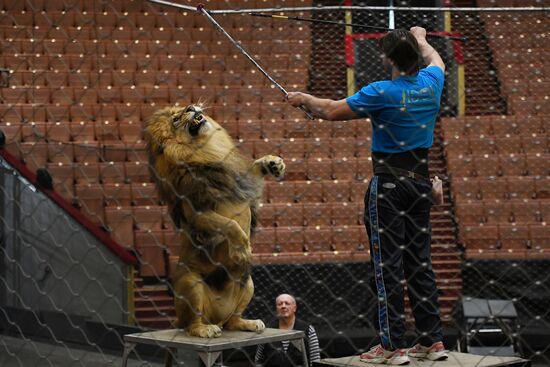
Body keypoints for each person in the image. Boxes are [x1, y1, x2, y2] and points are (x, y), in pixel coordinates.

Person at [287, 26, 448, 365]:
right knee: (419, 264)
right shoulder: (432, 84)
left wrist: (303, 99)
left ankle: (391, 347)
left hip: (388, 186)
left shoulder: (381, 91)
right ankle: (433, 342)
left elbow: (329, 110)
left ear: (388, 59)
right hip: (420, 185)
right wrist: (421, 38)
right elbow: (437, 59)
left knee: (387, 266)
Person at [255, 294, 321, 367]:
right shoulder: (267, 330)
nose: (283, 306)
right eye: (280, 304)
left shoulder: (308, 329)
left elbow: (315, 359)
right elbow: (258, 358)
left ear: (294, 308)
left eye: (287, 303)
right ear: (276, 309)